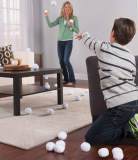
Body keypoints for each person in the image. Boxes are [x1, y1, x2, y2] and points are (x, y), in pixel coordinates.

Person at [75, 18, 138, 145]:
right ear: (130, 40)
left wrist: (84, 34)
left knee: (91, 137)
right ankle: (133, 120)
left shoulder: (103, 48)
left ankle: (128, 129)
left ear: (112, 33)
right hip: (134, 101)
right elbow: (132, 77)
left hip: (120, 107)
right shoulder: (131, 57)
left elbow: (89, 41)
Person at [44, 1, 79, 87]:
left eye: (69, 7)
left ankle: (72, 80)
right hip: (60, 42)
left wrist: (71, 26)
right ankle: (66, 78)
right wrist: (47, 16)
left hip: (68, 41)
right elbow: (50, 25)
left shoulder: (74, 18)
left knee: (66, 60)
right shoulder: (60, 18)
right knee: (61, 61)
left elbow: (77, 30)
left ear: (71, 9)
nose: (67, 8)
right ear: (63, 8)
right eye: (66, 7)